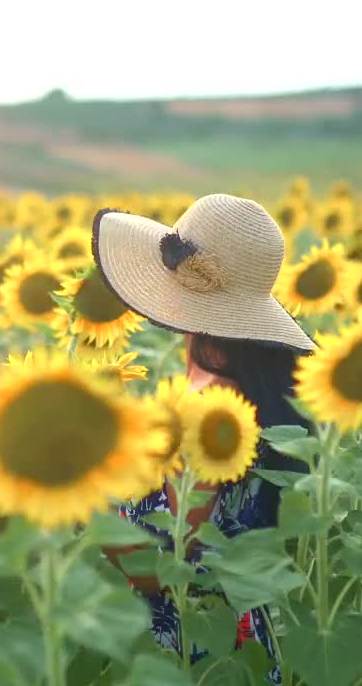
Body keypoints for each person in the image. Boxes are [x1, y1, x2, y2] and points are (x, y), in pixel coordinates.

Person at [91, 193, 314, 680]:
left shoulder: (206, 414)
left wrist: (80, 503)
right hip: (245, 647)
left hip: (187, 655)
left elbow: (168, 568)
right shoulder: (265, 397)